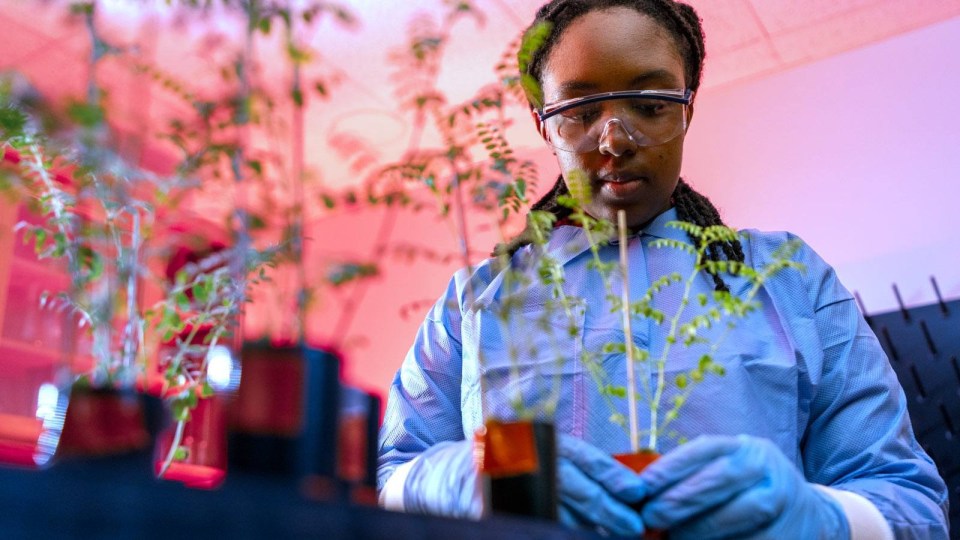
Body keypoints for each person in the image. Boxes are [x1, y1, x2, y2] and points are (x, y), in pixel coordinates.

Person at [377, 0, 950, 538]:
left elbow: (912, 503)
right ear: (542, 123)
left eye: (650, 105)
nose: (615, 141)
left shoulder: (789, 279)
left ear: (688, 105)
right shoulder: (474, 305)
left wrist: (818, 516)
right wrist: (447, 480)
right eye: (578, 111)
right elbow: (384, 481)